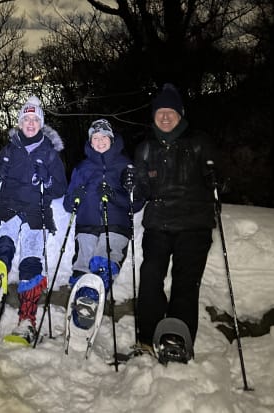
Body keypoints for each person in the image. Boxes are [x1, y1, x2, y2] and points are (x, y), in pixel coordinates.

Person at [132, 83, 218, 356]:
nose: (165, 117)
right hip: (158, 224)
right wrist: (131, 184)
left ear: (181, 114)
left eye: (171, 112)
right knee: (150, 276)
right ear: (154, 116)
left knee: (185, 281)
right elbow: (141, 193)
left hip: (194, 224)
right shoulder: (145, 149)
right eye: (160, 112)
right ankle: (147, 337)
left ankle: (176, 338)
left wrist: (217, 180)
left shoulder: (199, 142)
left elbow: (220, 181)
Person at [0, 96, 67, 343]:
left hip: (35, 211)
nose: (30, 123)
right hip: (8, 207)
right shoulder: (9, 150)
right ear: (20, 123)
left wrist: (48, 180)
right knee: (3, 247)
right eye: (26, 119)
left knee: (31, 258)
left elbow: (60, 188)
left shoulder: (50, 153)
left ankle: (27, 320)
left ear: (41, 123)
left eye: (35, 119)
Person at [63, 119, 143, 322]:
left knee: (103, 260)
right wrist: (76, 196)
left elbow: (137, 202)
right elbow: (67, 204)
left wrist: (117, 194)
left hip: (115, 224)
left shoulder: (126, 165)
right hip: (86, 223)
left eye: (103, 137)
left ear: (112, 139)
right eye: (95, 138)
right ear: (90, 141)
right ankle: (80, 303)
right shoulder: (82, 167)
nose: (99, 142)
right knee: (82, 263)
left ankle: (89, 302)